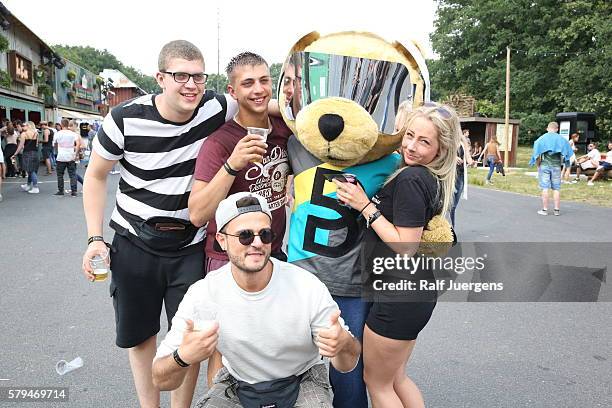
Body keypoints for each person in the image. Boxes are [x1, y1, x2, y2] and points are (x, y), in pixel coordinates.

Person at [81, 40, 241, 408]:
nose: (191, 85)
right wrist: (94, 238)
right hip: (135, 241)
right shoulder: (124, 118)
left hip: (190, 245)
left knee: (188, 335)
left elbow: (259, 102)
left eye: (198, 77)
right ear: (160, 78)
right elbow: (95, 176)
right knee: (141, 337)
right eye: (180, 76)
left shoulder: (215, 107)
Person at [152, 192, 361, 408]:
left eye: (265, 234)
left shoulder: (305, 285)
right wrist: (182, 356)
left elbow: (348, 364)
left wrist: (343, 343)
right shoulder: (204, 293)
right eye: (245, 236)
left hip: (302, 378)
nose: (257, 243)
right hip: (238, 383)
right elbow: (160, 379)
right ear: (222, 240)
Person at [333, 102, 460, 408]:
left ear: (441, 150)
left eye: (424, 141)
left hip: (398, 294)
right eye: (410, 135)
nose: (412, 146)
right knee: (396, 379)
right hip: (412, 293)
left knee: (377, 384)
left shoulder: (411, 179)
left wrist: (365, 205)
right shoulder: (424, 176)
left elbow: (406, 245)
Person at [190, 51, 291, 274]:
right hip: (229, 260)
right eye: (248, 83)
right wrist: (232, 165)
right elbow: (197, 215)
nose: (258, 89)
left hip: (273, 254)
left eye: (264, 80)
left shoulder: (285, 128)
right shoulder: (219, 142)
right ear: (232, 91)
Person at [529, 122, 573, 216]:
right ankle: (556, 210)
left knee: (545, 188)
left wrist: (538, 165)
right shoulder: (562, 140)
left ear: (547, 128)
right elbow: (567, 156)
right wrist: (568, 169)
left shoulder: (541, 139)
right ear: (557, 129)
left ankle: (545, 210)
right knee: (556, 188)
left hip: (544, 166)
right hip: (557, 167)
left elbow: (537, 154)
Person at [450, 129, 473, 227]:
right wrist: (453, 158)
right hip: (450, 176)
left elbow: (468, 157)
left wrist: (471, 162)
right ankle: (448, 229)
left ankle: (451, 230)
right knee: (448, 203)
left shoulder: (463, 142)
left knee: (454, 205)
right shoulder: (448, 142)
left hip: (460, 175)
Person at [53, 118, 80, 197]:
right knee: (72, 174)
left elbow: (54, 143)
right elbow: (78, 144)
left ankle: (61, 190)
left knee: (60, 174)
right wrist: (75, 154)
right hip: (70, 156)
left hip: (61, 156)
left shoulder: (58, 134)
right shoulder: (73, 134)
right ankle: (74, 191)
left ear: (61, 125)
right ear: (68, 125)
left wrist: (57, 152)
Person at [12, 121, 40, 194]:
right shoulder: (36, 133)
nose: (23, 127)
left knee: (31, 171)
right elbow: (37, 144)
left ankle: (35, 187)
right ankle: (28, 185)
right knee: (32, 170)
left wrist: (15, 153)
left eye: (24, 125)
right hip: (35, 153)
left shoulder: (24, 134)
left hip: (27, 153)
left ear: (28, 126)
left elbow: (21, 146)